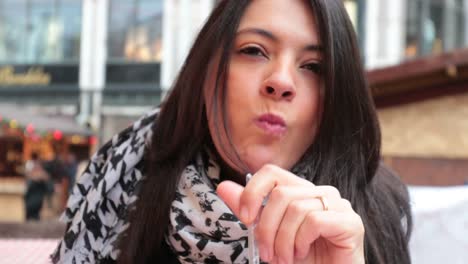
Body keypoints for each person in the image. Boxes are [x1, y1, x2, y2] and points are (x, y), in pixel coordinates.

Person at [52, 0, 412, 263]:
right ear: (206, 73)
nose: (282, 82)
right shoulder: (121, 183)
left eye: (314, 66)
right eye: (254, 50)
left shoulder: (371, 216)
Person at [24, 152, 50, 220]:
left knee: (35, 211)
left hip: (37, 195)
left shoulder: (36, 167)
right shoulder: (30, 164)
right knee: (30, 210)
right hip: (32, 194)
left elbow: (46, 177)